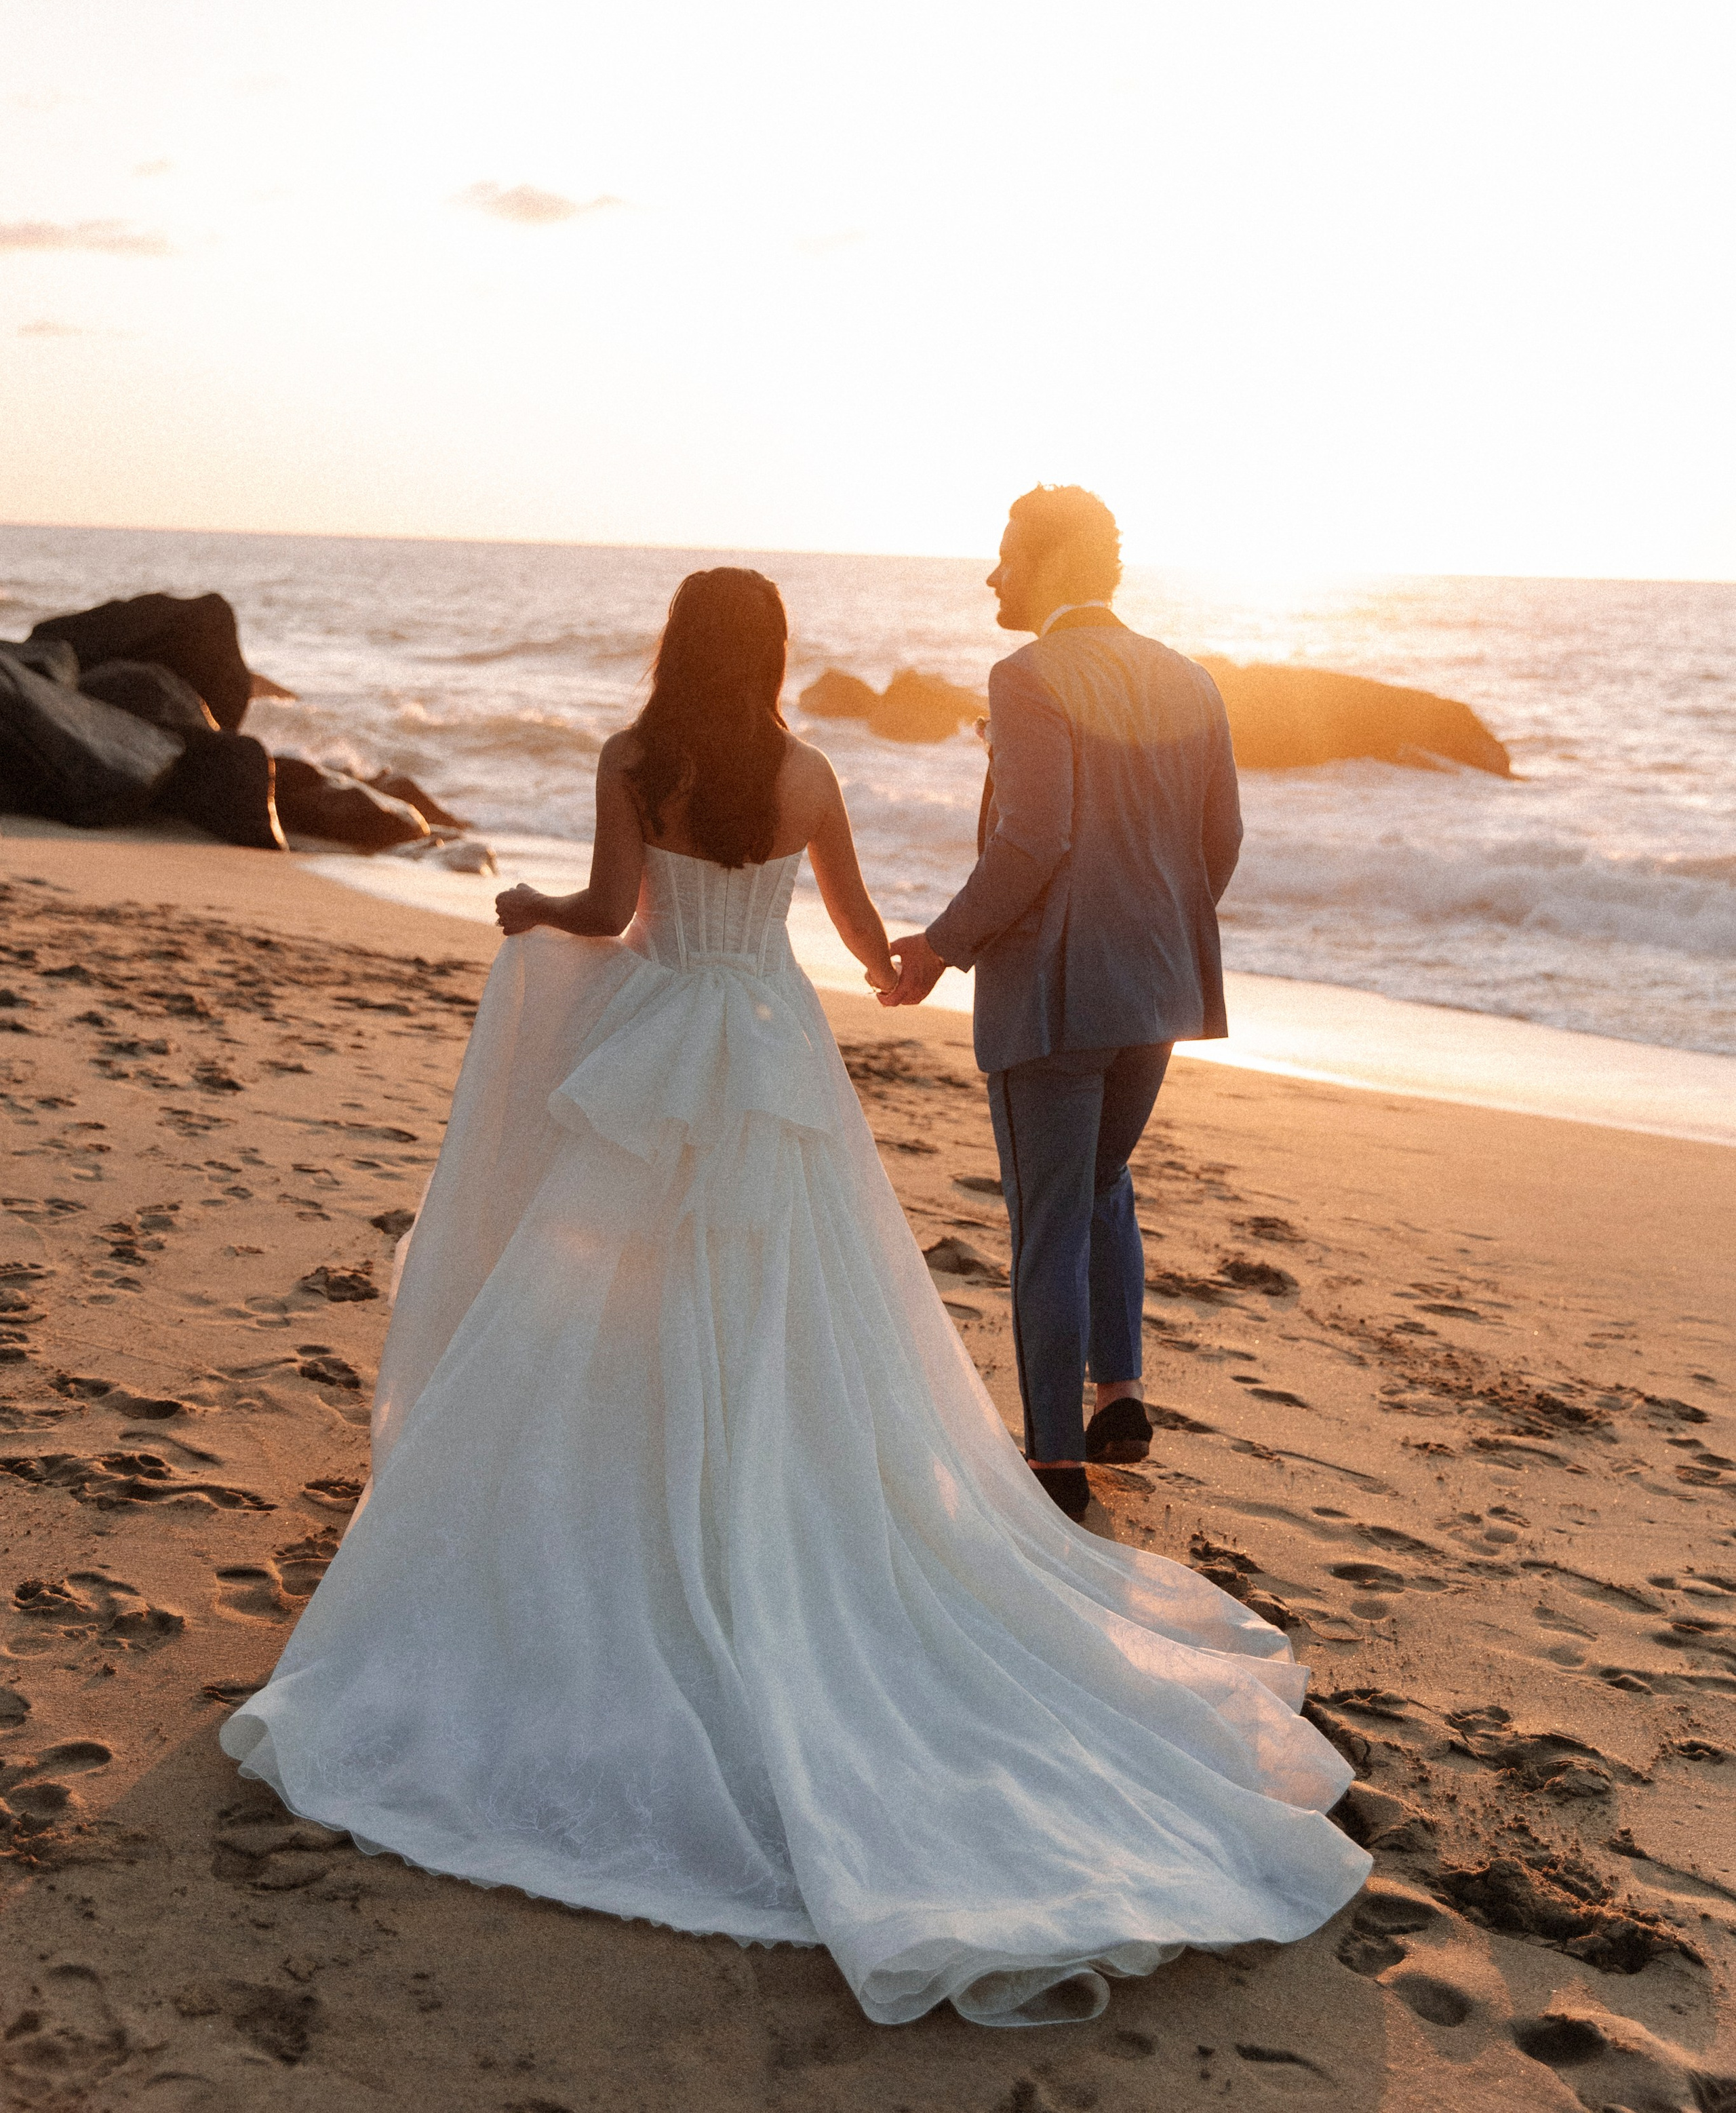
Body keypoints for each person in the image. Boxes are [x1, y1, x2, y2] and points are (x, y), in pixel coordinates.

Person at [221, 565, 1364, 2030]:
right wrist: (908, 962)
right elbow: (851, 926)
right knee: (787, 1296)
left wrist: (530, 907)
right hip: (768, 1051)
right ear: (771, 655)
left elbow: (611, 908)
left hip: (656, 1041)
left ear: (674, 648)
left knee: (607, 1280)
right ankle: (783, 1479)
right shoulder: (809, 771)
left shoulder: (640, 760)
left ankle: (627, 1478)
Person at [884, 488, 1242, 1525]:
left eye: (1004, 556)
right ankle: (1119, 1391)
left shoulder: (1027, 674)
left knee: (1047, 1215)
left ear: (1046, 566)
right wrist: (1159, 930)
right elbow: (1222, 839)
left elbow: (1033, 839)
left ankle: (1050, 1464)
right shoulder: (1191, 678)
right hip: (1160, 991)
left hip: (1055, 993)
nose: (993, 577)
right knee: (1101, 1177)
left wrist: (941, 947)